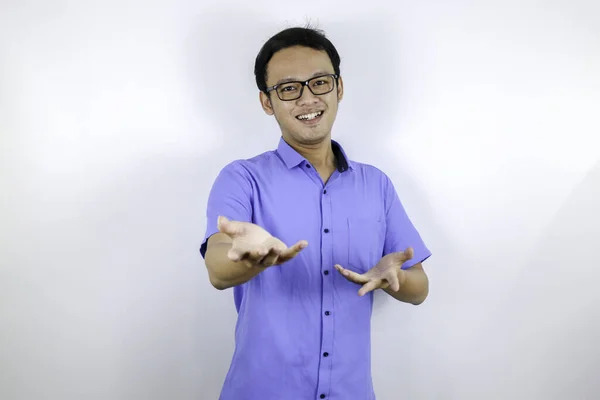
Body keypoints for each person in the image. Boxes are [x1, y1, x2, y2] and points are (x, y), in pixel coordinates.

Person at [200, 25, 431, 400]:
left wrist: (396, 279)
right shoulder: (242, 178)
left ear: (339, 88)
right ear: (266, 101)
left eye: (320, 82)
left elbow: (420, 288)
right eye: (289, 88)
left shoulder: (376, 185)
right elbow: (217, 268)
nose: (307, 99)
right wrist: (253, 258)